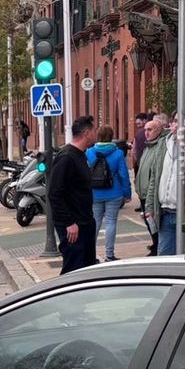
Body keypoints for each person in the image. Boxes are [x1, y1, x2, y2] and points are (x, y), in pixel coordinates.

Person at [47, 115, 99, 273]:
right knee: (73, 269)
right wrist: (69, 223)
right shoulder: (66, 158)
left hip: (85, 222)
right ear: (87, 133)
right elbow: (54, 193)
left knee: (87, 268)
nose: (96, 134)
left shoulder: (81, 155)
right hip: (73, 226)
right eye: (94, 131)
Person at [86, 125, 132, 262]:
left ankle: (90, 254)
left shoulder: (89, 152)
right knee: (111, 223)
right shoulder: (117, 153)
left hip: (94, 193)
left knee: (95, 223)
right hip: (114, 192)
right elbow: (124, 175)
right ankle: (109, 255)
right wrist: (127, 193)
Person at [135, 113, 170, 257]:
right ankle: (155, 244)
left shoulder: (160, 147)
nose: (146, 133)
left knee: (155, 223)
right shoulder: (148, 146)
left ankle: (157, 247)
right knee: (150, 223)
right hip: (143, 193)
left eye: (150, 130)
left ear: (160, 130)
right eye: (146, 130)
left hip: (152, 194)